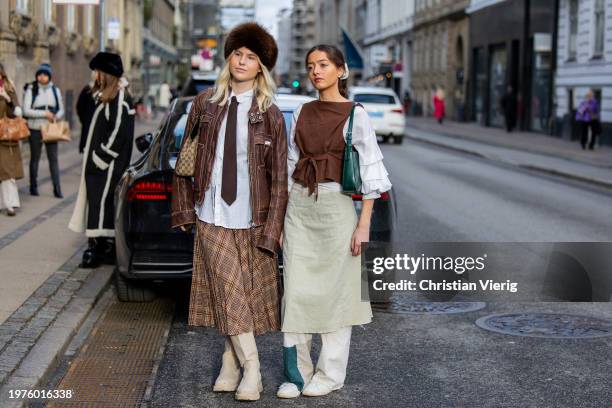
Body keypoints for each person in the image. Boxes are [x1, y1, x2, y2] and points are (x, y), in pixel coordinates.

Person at [171, 22, 288, 401]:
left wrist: (273, 227)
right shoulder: (204, 104)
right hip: (212, 211)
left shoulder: (269, 112)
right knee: (228, 288)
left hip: (253, 216)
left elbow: (280, 177)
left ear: (261, 68)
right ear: (229, 58)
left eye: (251, 57)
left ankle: (229, 359)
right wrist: (185, 208)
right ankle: (253, 369)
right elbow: (184, 162)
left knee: (242, 294)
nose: (242, 60)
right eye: (238, 53)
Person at [276, 44, 392, 399]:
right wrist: (279, 222)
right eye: (311, 65)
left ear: (341, 70)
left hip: (337, 208)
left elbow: (372, 173)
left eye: (323, 64)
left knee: (338, 294)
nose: (316, 71)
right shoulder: (302, 111)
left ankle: (329, 373)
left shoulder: (357, 115)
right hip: (299, 207)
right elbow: (288, 166)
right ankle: (297, 374)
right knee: (295, 291)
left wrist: (363, 224)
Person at [68, 52, 136, 268]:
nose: (95, 75)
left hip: (106, 165)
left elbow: (119, 132)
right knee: (97, 202)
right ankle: (100, 245)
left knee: (102, 202)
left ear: (105, 74)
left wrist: (101, 158)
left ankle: (99, 248)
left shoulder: (120, 97)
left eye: (98, 71)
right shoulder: (108, 95)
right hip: (101, 164)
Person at [23, 63, 65, 198]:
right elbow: (26, 110)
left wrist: (55, 116)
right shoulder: (31, 89)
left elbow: (61, 109)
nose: (42, 77)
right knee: (34, 158)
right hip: (35, 128)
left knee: (53, 159)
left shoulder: (55, 90)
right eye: (39, 74)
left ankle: (57, 188)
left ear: (49, 76)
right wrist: (44, 114)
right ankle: (33, 186)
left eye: (45, 74)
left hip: (50, 128)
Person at [0, 64, 24, 216]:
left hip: (5, 137)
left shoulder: (9, 89)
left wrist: (8, 99)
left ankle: (10, 204)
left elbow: (17, 113)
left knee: (8, 172)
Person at [76, 71, 98, 154]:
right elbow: (79, 106)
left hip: (100, 124)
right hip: (89, 123)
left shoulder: (105, 90)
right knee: (88, 147)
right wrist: (84, 120)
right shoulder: (87, 89)